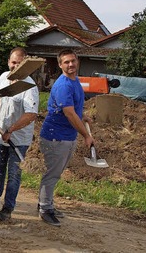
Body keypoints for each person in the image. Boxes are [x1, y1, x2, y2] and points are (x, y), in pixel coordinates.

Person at [0, 48, 39, 221]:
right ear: (8, 62)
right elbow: (0, 97)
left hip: (17, 139)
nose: (15, 66)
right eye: (13, 62)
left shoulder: (29, 86)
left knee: (13, 174)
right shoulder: (4, 76)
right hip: (0, 134)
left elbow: (31, 114)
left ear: (25, 64)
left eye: (20, 64)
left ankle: (8, 207)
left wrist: (11, 130)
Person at [38, 49, 94, 227]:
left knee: (55, 173)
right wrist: (86, 135)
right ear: (60, 65)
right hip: (56, 137)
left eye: (73, 61)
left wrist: (82, 115)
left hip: (66, 136)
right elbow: (69, 113)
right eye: (66, 62)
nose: (70, 65)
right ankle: (45, 209)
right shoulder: (63, 85)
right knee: (52, 174)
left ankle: (47, 204)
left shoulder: (75, 80)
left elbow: (74, 108)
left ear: (77, 61)